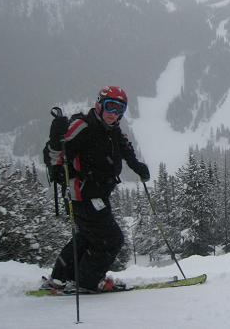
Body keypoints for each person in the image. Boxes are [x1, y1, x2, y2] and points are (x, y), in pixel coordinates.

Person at [43, 86, 150, 293]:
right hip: (83, 195)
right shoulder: (83, 126)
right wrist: (56, 143)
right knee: (111, 240)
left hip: (97, 194)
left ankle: (60, 278)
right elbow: (54, 154)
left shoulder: (111, 129)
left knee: (87, 236)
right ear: (99, 104)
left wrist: (136, 165)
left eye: (120, 109)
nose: (114, 114)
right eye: (110, 107)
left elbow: (123, 145)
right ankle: (88, 281)